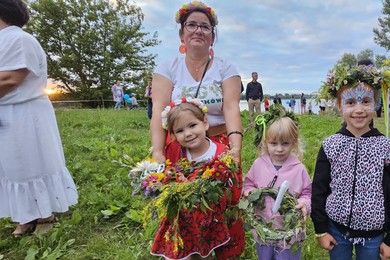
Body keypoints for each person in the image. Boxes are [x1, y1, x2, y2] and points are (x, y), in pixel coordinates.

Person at [149, 1, 244, 257]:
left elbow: (231, 108)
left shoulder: (226, 68)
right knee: (184, 205)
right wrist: (158, 152)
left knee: (223, 202)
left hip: (219, 144)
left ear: (213, 35)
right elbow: (158, 111)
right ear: (182, 33)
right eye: (192, 25)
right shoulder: (167, 67)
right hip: (180, 146)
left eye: (205, 26)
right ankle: (187, 249)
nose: (198, 31)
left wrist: (234, 149)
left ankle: (225, 250)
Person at [0, 0, 78, 236]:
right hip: (7, 111)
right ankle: (26, 215)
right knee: (12, 167)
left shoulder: (19, 39)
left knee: (33, 162)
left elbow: (10, 79)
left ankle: (46, 215)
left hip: (24, 112)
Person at [311, 64, 390, 260]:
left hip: (374, 235)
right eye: (351, 102)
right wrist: (321, 229)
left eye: (365, 101)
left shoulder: (386, 147)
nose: (359, 109)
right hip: (336, 231)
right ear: (340, 106)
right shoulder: (330, 145)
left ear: (377, 103)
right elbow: (319, 189)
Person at [151, 98, 242, 259]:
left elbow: (232, 183)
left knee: (206, 249)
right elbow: (168, 177)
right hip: (184, 217)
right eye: (180, 131)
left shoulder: (221, 152)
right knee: (187, 250)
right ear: (173, 135)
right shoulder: (175, 152)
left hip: (212, 215)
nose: (188, 133)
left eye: (193, 125)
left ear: (205, 123)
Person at [243, 105, 312, 260]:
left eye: (285, 143)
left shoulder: (298, 169)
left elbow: (307, 193)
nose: (279, 149)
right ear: (265, 142)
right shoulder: (258, 164)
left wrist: (304, 204)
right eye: (273, 143)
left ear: (294, 143)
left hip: (289, 234)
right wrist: (248, 192)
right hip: (263, 230)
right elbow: (249, 184)